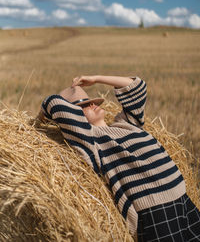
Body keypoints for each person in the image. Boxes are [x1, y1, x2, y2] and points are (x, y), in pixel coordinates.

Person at [39, 75, 200, 241]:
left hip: (182, 198)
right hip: (156, 210)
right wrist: (44, 115)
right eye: (84, 105)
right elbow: (54, 103)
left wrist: (96, 78)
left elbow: (136, 87)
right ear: (75, 116)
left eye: (92, 101)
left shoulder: (126, 124)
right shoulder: (91, 142)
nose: (92, 104)